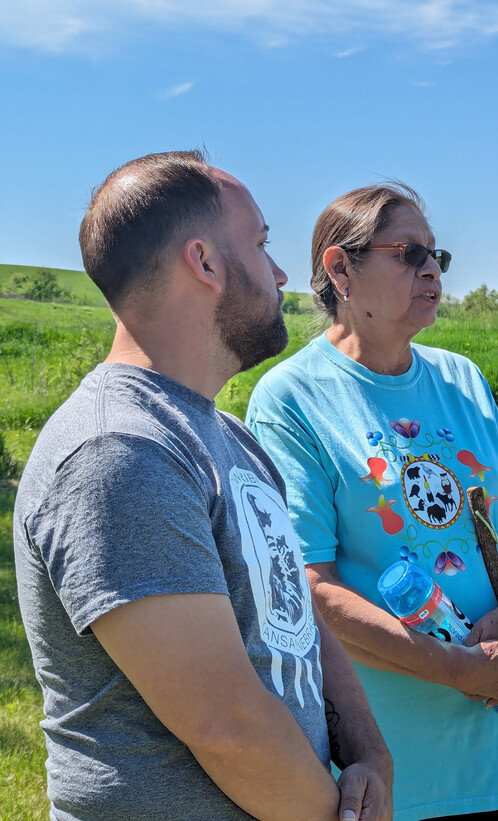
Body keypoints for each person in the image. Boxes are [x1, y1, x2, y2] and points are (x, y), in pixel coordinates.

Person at [13, 150, 393, 821]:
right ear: (206, 263)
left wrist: (369, 751)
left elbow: (294, 611)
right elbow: (228, 725)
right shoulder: (120, 449)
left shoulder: (229, 435)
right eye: (261, 244)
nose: (280, 275)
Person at [245, 183, 498, 821]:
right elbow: (311, 587)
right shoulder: (290, 398)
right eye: (408, 254)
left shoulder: (461, 378)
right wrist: (456, 667)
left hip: (480, 742)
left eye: (437, 256)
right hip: (376, 757)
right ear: (340, 269)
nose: (431, 270)